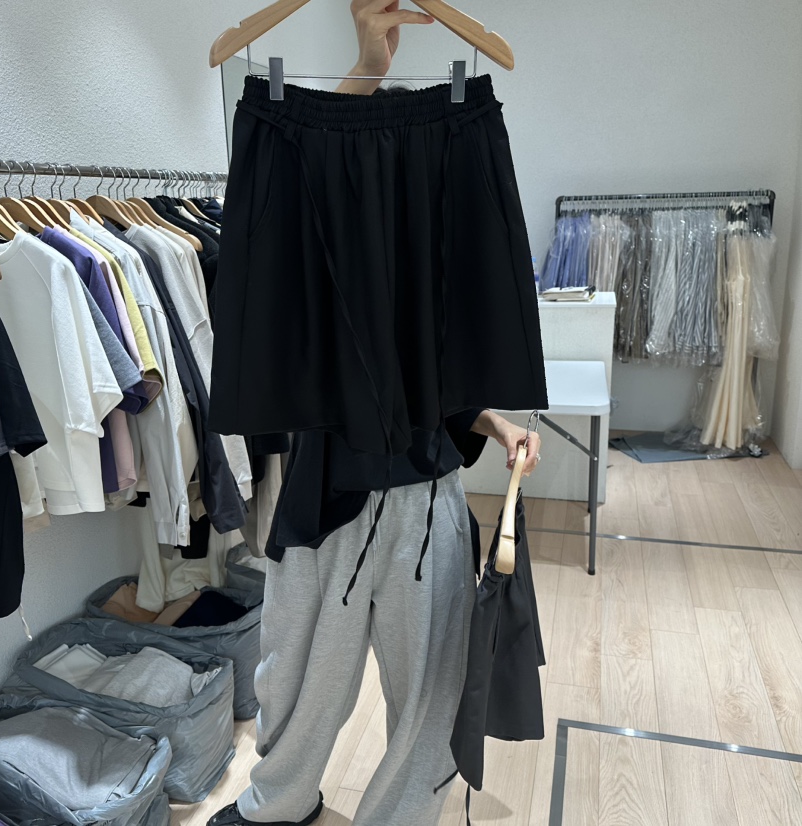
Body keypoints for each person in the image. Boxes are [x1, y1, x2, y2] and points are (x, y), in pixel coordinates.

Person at [208, 2, 542, 825]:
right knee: (295, 679)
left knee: (428, 690)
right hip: (325, 491)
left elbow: (430, 354)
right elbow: (307, 188)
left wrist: (493, 423)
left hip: (424, 496)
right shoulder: (313, 210)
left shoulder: (443, 202)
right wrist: (365, 72)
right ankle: (277, 806)